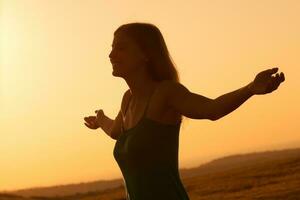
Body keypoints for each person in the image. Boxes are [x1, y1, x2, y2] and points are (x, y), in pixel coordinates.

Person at [83, 22, 285, 200]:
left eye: (121, 48)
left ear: (145, 54)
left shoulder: (165, 93)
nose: (111, 55)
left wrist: (250, 89)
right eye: (112, 48)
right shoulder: (128, 99)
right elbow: (116, 131)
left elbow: (212, 109)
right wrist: (100, 119)